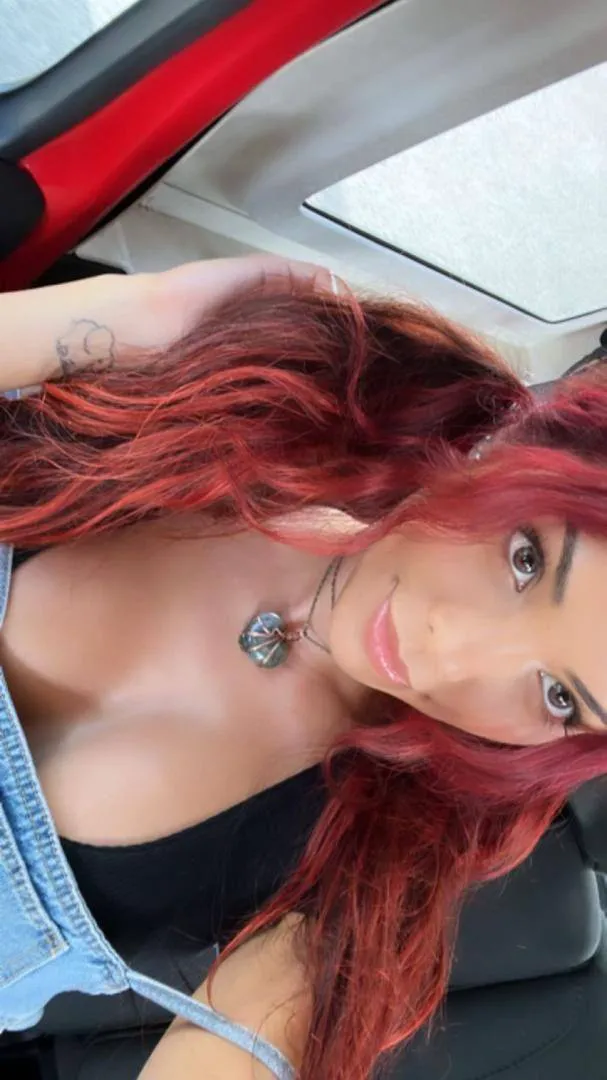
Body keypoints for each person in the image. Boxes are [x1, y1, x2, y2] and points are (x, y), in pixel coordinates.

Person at [1, 253, 607, 1080]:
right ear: (516, 448)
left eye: (559, 695)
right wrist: (138, 310)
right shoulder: (284, 393)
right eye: (526, 560)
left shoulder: (383, 849)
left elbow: (246, 1047)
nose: (448, 651)